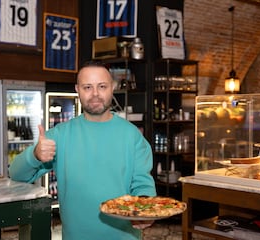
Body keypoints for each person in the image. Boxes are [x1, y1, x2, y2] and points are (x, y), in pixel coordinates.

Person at [9, 61, 156, 240]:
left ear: (112, 88)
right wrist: (34, 156)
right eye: (88, 87)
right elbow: (15, 173)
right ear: (77, 89)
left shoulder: (132, 135)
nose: (95, 94)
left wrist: (145, 210)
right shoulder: (60, 135)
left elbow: (142, 184)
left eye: (102, 86)